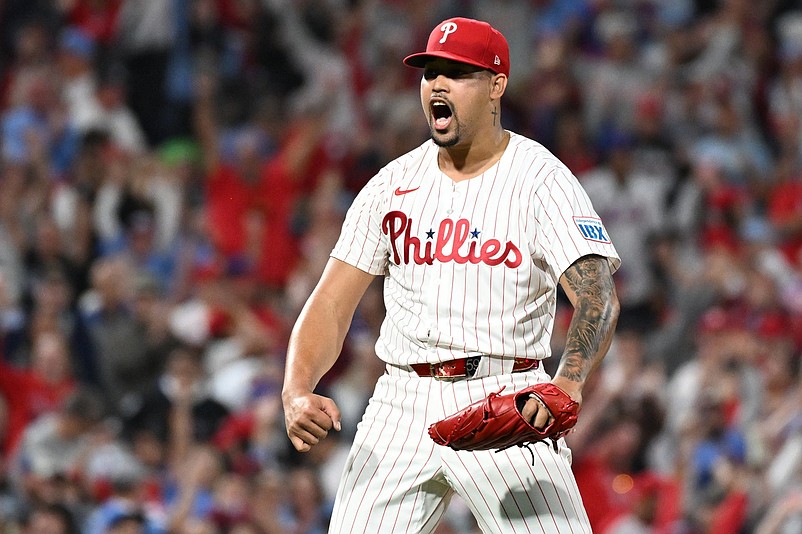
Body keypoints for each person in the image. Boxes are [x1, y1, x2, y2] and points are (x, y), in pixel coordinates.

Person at [282, 17, 620, 533]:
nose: (437, 85)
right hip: (401, 399)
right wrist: (297, 387)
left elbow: (597, 296)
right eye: (430, 73)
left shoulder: (540, 179)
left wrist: (568, 385)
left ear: (496, 85)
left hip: (507, 397)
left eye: (458, 73)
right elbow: (331, 302)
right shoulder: (392, 185)